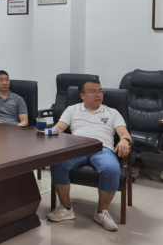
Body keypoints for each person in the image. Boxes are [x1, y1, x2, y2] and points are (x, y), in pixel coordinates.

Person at [47, 78, 133, 232]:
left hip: (103, 148)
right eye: (93, 92)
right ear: (82, 95)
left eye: (100, 91)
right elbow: (59, 128)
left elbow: (124, 134)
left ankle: (101, 212)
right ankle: (66, 209)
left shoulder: (112, 112)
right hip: (76, 148)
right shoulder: (72, 110)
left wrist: (125, 141)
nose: (98, 94)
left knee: (111, 169)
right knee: (58, 163)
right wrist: (45, 133)